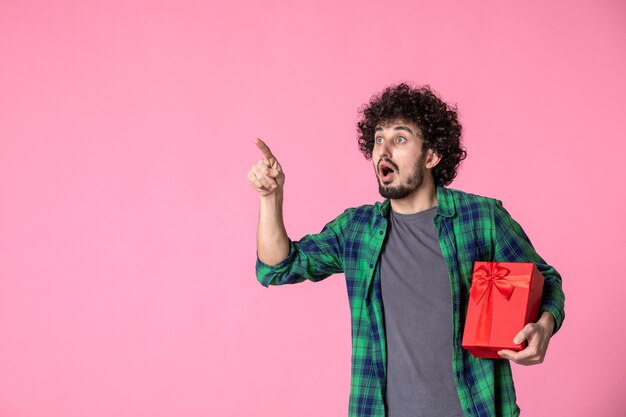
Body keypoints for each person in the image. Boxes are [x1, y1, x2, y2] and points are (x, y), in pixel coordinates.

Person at [247, 83, 565, 417]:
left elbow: (546, 281)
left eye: (399, 139)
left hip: (478, 409)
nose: (383, 150)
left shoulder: (481, 218)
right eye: (378, 139)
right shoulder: (356, 229)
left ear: (431, 155)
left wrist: (544, 325)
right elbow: (278, 267)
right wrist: (270, 199)